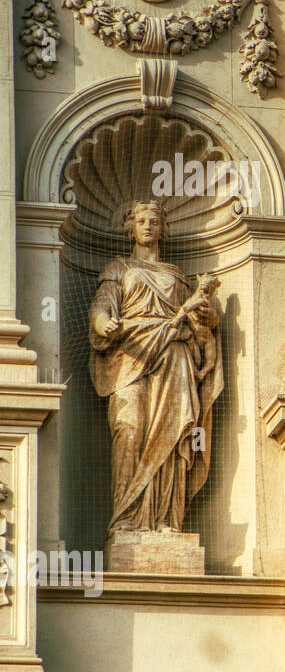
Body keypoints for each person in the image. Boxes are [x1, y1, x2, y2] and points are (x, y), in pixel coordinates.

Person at [89, 200, 223, 537]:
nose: (148, 226)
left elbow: (202, 320)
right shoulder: (118, 268)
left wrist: (207, 314)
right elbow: (102, 306)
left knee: (174, 431)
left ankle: (166, 519)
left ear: (164, 228)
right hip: (130, 355)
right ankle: (126, 518)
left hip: (175, 356)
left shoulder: (177, 276)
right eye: (142, 220)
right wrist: (104, 323)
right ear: (130, 227)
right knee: (129, 428)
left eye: (155, 221)